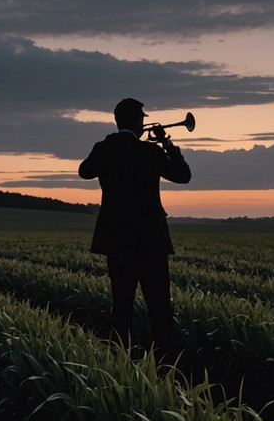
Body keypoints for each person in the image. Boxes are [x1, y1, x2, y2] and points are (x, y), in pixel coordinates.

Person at [78, 97, 191, 355]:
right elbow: (183, 175)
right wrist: (167, 143)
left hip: (117, 240)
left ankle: (120, 362)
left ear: (118, 122)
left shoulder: (104, 148)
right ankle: (166, 362)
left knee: (122, 307)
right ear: (139, 122)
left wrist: (108, 144)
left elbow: (85, 171)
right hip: (151, 240)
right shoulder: (150, 152)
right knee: (159, 306)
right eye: (142, 118)